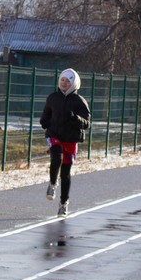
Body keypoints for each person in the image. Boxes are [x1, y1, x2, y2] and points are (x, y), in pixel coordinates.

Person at [39, 68, 91, 217]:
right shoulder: (53, 98)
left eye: (68, 81)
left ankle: (63, 204)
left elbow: (87, 123)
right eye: (62, 80)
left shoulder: (79, 101)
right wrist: (44, 121)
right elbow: (46, 114)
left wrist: (75, 118)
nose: (64, 83)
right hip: (54, 135)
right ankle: (52, 184)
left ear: (74, 84)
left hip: (70, 139)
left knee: (66, 173)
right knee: (56, 156)